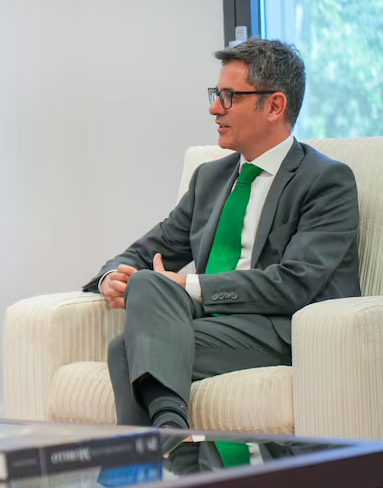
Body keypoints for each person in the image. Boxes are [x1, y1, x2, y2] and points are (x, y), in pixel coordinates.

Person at [82, 39, 360, 429]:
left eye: (229, 96)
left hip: (279, 330)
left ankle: (151, 463)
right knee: (144, 283)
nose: (214, 108)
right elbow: (147, 250)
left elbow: (295, 284)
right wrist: (115, 277)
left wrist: (189, 285)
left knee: (125, 348)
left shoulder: (326, 181)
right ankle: (169, 432)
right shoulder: (210, 179)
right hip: (211, 323)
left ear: (275, 106)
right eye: (216, 94)